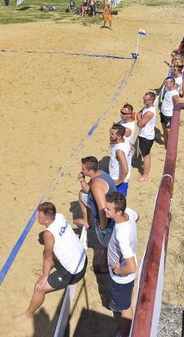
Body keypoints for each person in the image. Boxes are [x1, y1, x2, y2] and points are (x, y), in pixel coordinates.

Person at [12, 202, 87, 323]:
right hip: (83, 258)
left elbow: (47, 258)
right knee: (53, 253)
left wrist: (44, 277)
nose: (37, 217)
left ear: (46, 221)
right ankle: (45, 271)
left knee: (39, 287)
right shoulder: (60, 216)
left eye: (39, 216)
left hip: (74, 272)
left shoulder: (48, 234)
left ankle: (28, 314)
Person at [104, 192, 139, 337]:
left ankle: (125, 334)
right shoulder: (129, 212)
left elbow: (131, 268)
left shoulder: (121, 234)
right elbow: (138, 217)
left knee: (125, 308)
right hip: (125, 270)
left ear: (118, 212)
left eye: (108, 209)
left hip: (122, 278)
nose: (104, 210)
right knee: (125, 299)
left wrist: (117, 270)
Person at [75, 156, 117, 272]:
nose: (81, 170)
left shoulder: (97, 185)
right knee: (81, 194)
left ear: (90, 171)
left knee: (107, 244)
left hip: (108, 218)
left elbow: (103, 209)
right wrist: (82, 181)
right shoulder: (99, 173)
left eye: (83, 169)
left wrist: (102, 226)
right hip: (111, 211)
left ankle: (104, 266)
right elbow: (87, 190)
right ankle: (87, 220)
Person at [136, 92, 157, 182]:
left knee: (146, 156)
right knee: (146, 154)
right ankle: (145, 169)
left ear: (151, 101)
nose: (143, 100)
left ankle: (145, 175)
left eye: (145, 100)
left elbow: (140, 124)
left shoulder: (149, 112)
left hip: (146, 136)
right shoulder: (146, 107)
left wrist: (139, 119)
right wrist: (140, 118)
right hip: (145, 134)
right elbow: (139, 114)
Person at [108, 123, 131, 196]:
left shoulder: (119, 151)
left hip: (118, 181)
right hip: (119, 179)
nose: (110, 135)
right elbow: (133, 149)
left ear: (119, 136)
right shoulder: (125, 140)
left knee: (117, 204)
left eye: (112, 134)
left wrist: (119, 181)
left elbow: (125, 169)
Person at [160, 77, 182, 148]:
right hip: (163, 113)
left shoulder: (174, 95)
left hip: (168, 115)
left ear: (172, 83)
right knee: (164, 129)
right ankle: (165, 144)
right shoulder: (167, 89)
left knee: (168, 131)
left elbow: (178, 105)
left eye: (167, 83)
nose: (165, 84)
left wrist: (176, 118)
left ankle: (169, 147)